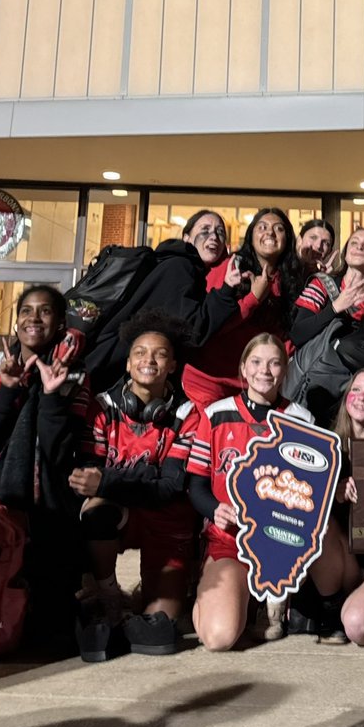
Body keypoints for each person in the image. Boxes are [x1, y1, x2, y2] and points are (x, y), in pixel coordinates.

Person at [0, 285, 90, 641]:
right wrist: (8, 388)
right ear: (16, 323)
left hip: (46, 506)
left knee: (45, 631)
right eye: (26, 311)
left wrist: (51, 396)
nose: (34, 318)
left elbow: (56, 451)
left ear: (61, 323)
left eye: (45, 311)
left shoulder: (75, 376)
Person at [71, 310, 199, 661]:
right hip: (123, 513)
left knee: (161, 622)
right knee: (96, 513)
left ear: (172, 365)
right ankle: (109, 594)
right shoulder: (102, 408)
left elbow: (171, 486)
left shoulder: (189, 415)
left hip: (167, 520)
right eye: (140, 353)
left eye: (159, 353)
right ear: (127, 364)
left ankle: (145, 592)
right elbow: (87, 480)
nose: (149, 360)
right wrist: (135, 482)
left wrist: (109, 480)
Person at [186, 334, 312, 651]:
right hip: (229, 541)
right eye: (256, 362)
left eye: (274, 363)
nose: (264, 371)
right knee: (219, 639)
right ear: (243, 368)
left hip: (279, 544)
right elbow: (197, 484)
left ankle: (272, 601)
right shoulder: (216, 414)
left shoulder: (301, 420)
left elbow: (310, 493)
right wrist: (214, 508)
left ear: (285, 370)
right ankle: (222, 590)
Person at [85, 210, 241, 392]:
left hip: (111, 371)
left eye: (220, 232)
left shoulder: (177, 265)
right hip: (108, 375)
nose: (214, 236)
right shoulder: (180, 267)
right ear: (186, 238)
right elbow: (194, 330)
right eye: (205, 230)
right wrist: (226, 291)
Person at [302, 368, 364, 644]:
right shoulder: (324, 447)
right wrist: (334, 493)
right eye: (355, 390)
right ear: (345, 398)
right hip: (338, 561)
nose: (362, 397)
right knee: (317, 520)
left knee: (361, 625)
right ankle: (330, 607)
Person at [181, 208, 307, 408]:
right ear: (251, 236)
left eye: (279, 228)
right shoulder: (230, 267)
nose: (270, 233)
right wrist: (254, 298)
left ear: (288, 239)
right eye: (262, 227)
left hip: (255, 387)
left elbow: (285, 335)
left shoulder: (291, 281)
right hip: (208, 381)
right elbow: (208, 327)